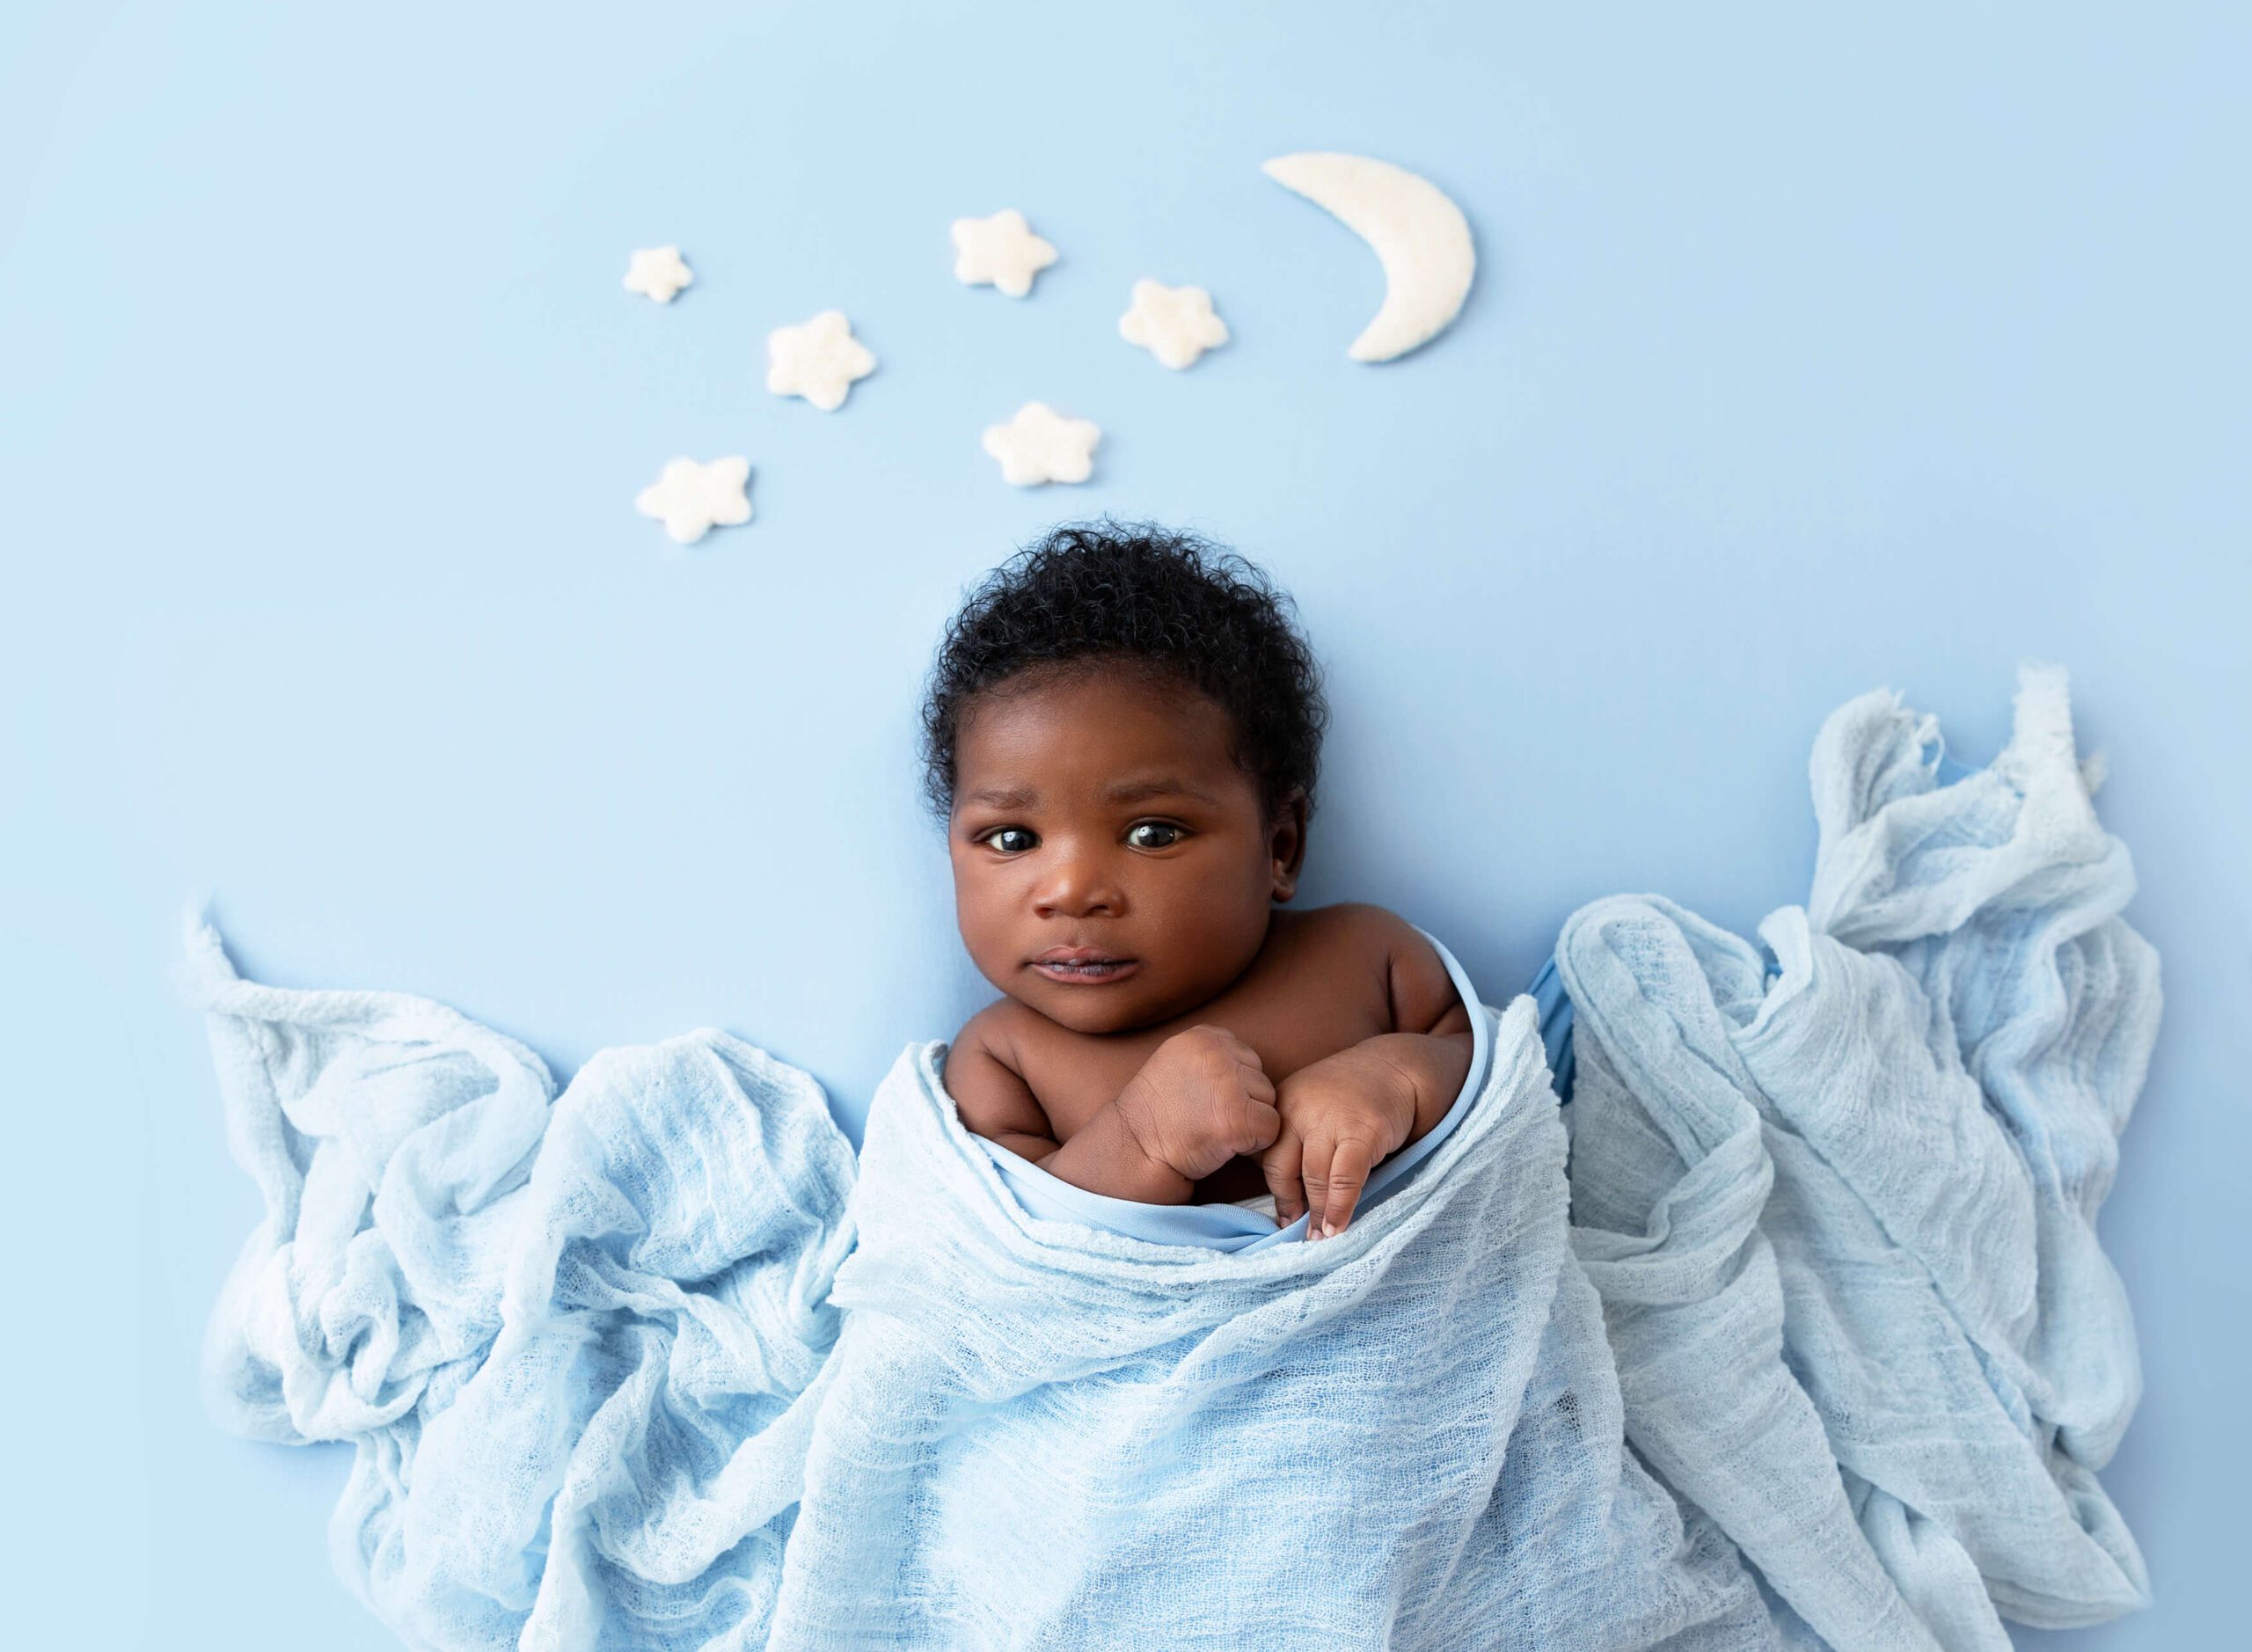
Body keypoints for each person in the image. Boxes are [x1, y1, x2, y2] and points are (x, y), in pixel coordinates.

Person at [919, 518, 1479, 1242]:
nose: (1070, 891)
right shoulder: (1002, 1060)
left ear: (1280, 846)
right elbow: (1017, 1258)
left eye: (1151, 833)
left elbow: (1495, 1071)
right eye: (1012, 838)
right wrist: (1139, 1138)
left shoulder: (1368, 955)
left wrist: (1396, 1078)